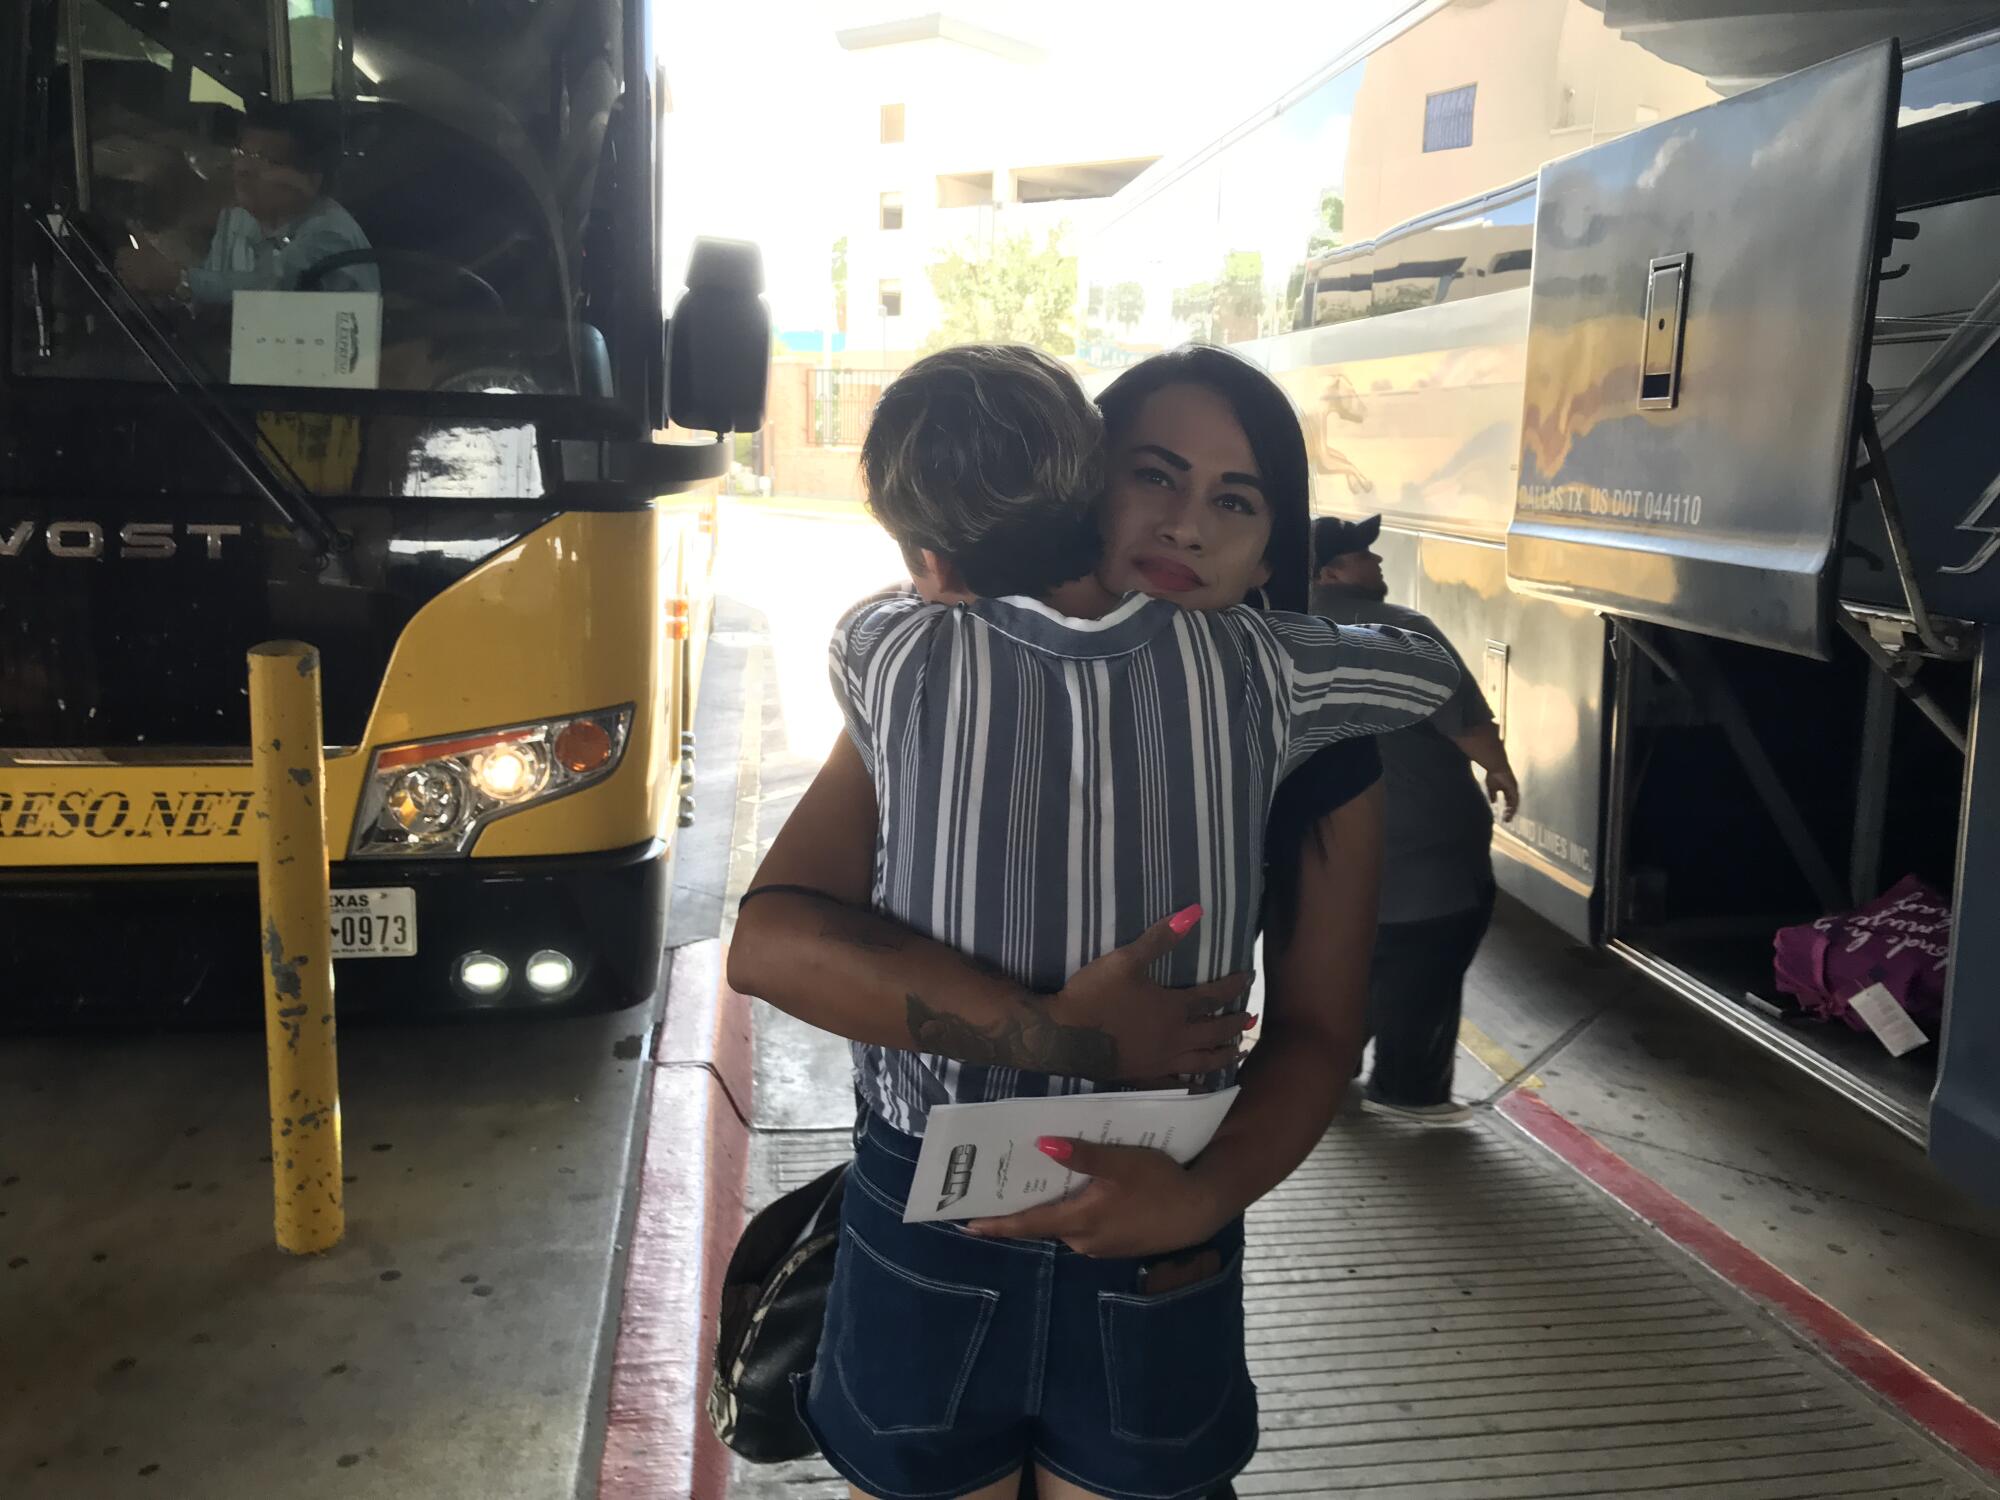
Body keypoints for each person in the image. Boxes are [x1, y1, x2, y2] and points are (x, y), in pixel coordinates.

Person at [729, 344, 1457, 1500]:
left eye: (1235, 500)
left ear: (1274, 541)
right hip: (926, 1214)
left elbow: (1320, 1033)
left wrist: (1204, 1197)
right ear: (1078, 482)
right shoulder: (925, 665)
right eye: (1151, 476)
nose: (1187, 526)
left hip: (1162, 1221)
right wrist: (1059, 1033)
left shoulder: (1301, 726)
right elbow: (769, 943)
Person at [1310, 514, 1520, 1122]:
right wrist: (1500, 768)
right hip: (1423, 842)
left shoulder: (1278, 625)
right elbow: (1466, 719)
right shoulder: (1400, 628)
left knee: (1355, 955)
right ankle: (1410, 1091)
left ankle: (1331, 1062)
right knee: (1429, 953)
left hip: (1326, 842)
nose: (1377, 562)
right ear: (1330, 570)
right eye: (1361, 555)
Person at [115, 101, 375, 308]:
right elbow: (214, 301)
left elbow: (273, 286)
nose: (243, 169)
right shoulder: (237, 219)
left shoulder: (330, 234)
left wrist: (180, 280)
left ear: (310, 179)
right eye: (242, 154)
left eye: (265, 160)